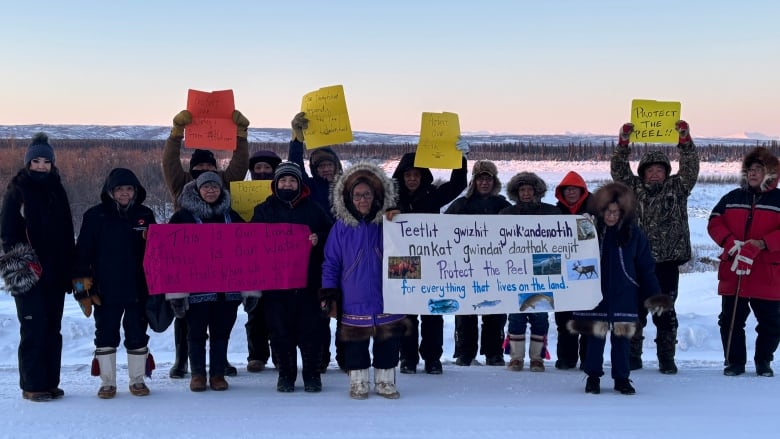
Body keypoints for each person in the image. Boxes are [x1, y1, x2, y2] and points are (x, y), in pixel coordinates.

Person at [161, 109, 249, 378]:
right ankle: (182, 360)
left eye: (209, 168)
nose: (204, 172)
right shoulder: (182, 185)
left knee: (221, 316)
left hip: (220, 263)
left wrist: (241, 136)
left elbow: (240, 164)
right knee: (188, 319)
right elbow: (169, 163)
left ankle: (219, 362)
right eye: (199, 168)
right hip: (191, 263)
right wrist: (176, 134)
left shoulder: (222, 185)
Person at [610, 120, 699, 374]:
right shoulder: (632, 189)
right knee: (636, 310)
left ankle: (666, 358)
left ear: (667, 171)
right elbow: (618, 169)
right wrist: (623, 143)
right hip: (637, 262)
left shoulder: (678, 187)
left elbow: (691, 167)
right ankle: (633, 356)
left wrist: (685, 140)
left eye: (660, 169)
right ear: (643, 173)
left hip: (668, 263)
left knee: (665, 312)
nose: (655, 173)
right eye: (650, 169)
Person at [567, 182, 671, 395]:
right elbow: (569, 257)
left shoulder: (634, 235)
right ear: (600, 210)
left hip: (624, 295)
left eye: (615, 212)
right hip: (595, 295)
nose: (611, 216)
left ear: (623, 212)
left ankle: (622, 378)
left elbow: (645, 268)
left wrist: (655, 295)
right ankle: (593, 377)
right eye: (607, 211)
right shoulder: (589, 232)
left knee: (622, 339)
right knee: (595, 338)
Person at [320, 162, 407, 399]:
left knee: (388, 342)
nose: (362, 200)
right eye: (357, 195)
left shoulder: (390, 223)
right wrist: (329, 292)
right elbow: (331, 262)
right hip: (353, 297)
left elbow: (408, 253)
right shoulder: (340, 228)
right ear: (349, 198)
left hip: (387, 296)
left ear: (376, 195)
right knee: (355, 344)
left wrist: (407, 288)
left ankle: (385, 382)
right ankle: (358, 382)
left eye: (367, 194)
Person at [0, 133, 76, 402]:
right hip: (28, 273)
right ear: (28, 163)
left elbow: (67, 232)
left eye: (46, 161)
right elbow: (7, 234)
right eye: (37, 161)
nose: (41, 166)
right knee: (33, 328)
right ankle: (32, 385)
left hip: (56, 272)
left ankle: (50, 382)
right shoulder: (17, 190)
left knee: (52, 328)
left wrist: (71, 267)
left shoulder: (58, 188)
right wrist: (24, 262)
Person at [73, 168, 157, 399]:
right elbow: (83, 253)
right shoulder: (95, 216)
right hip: (105, 289)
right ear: (110, 191)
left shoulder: (146, 215)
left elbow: (158, 253)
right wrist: (81, 286)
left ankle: (137, 380)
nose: (124, 193)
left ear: (136, 191)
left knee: (137, 334)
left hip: (138, 289)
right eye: (119, 189)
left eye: (129, 189)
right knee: (105, 334)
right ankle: (107, 383)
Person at [250, 161, 333, 393]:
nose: (288, 184)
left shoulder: (314, 208)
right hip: (276, 284)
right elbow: (251, 240)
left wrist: (319, 238)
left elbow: (332, 233)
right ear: (276, 184)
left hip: (308, 280)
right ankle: (286, 374)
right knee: (279, 331)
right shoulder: (264, 209)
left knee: (311, 330)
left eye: (292, 180)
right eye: (283, 180)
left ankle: (312, 375)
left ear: (299, 184)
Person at [392, 146, 468, 375]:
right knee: (406, 314)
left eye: (416, 175)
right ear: (401, 177)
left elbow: (458, 185)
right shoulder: (391, 198)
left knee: (433, 312)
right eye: (408, 175)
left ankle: (433, 358)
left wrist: (459, 158)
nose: (412, 179)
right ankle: (407, 358)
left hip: (432, 260)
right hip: (402, 261)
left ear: (423, 176)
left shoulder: (433, 195)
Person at [166, 172, 244, 392]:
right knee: (196, 332)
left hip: (227, 290)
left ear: (221, 191)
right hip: (195, 290)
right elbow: (169, 252)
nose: (211, 191)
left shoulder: (232, 216)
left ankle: (218, 374)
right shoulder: (183, 217)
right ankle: (198, 374)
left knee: (221, 332)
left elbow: (250, 250)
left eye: (215, 187)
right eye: (206, 187)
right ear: (198, 190)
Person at [707, 147, 780, 377]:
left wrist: (762, 243)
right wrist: (730, 243)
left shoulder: (778, 200)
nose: (753, 173)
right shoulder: (732, 198)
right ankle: (734, 362)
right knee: (730, 321)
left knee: (771, 323)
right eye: (750, 169)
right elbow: (714, 221)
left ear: (770, 174)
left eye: (759, 169)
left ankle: (763, 362)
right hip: (735, 269)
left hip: (766, 271)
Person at [290, 112, 343, 371]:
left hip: (345, 256)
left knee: (346, 309)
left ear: (336, 166)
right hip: (318, 255)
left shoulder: (348, 187)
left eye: (329, 164)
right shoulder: (309, 188)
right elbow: (294, 166)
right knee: (321, 310)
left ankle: (346, 357)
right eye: (321, 165)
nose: (325, 168)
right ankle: (321, 357)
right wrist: (296, 140)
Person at [444, 160, 510, 367]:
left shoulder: (502, 205)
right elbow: (441, 230)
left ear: (494, 181)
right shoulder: (461, 204)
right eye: (480, 179)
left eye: (488, 179)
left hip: (495, 269)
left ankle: (494, 352)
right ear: (474, 181)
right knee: (465, 312)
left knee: (496, 311)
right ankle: (465, 353)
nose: (484, 183)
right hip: (465, 268)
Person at [499, 172, 559, 372]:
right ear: (516, 193)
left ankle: (537, 358)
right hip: (515, 271)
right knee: (516, 315)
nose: (525, 193)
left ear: (537, 191)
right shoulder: (506, 214)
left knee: (540, 315)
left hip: (543, 270)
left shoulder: (552, 212)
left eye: (529, 189)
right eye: (522, 190)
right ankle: (515, 358)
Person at [244, 150, 282, 373]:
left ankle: (279, 354)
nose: (262, 172)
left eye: (267, 168)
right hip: (253, 261)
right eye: (257, 169)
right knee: (255, 312)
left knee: (278, 313)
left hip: (280, 262)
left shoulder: (285, 199)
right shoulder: (242, 194)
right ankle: (256, 355)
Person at [553, 171, 592, 370]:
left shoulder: (597, 211)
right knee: (564, 319)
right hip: (561, 274)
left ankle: (588, 360)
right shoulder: (554, 213)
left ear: (582, 191)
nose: (570, 193)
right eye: (567, 190)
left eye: (574, 189)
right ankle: (566, 359)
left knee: (586, 319)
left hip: (587, 273)